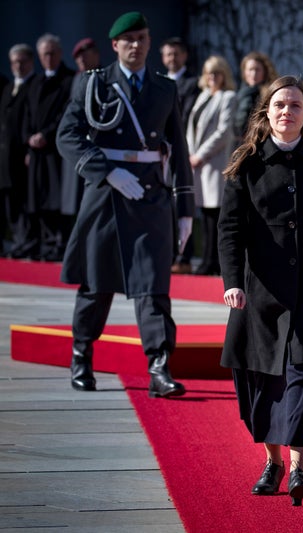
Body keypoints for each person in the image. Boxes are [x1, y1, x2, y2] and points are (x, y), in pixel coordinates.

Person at [218, 75, 303, 506]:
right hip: (258, 294)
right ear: (266, 112)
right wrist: (233, 282)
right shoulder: (246, 162)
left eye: (295, 105)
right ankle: (272, 462)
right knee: (261, 386)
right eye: (279, 105)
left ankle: (297, 470)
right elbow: (230, 230)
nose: (287, 112)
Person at [56, 11, 194, 398]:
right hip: (106, 197)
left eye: (142, 38)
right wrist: (106, 172)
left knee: (154, 287)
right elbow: (67, 136)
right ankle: (81, 356)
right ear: (114, 45)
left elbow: (179, 152)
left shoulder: (165, 89)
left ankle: (159, 367)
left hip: (150, 196)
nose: (136, 45)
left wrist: (185, 211)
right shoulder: (93, 85)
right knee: (96, 285)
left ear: (150, 43)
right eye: (128, 39)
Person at [23, 33, 75, 261]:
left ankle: (60, 242)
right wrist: (29, 139)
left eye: (53, 53)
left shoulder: (69, 80)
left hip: (56, 150)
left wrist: (46, 134)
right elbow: (26, 115)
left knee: (58, 198)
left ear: (60, 54)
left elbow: (67, 113)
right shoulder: (35, 82)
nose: (49, 57)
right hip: (36, 152)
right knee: (39, 197)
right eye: (45, 54)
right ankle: (45, 242)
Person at [186, 55, 236, 276]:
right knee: (205, 214)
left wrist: (200, 155)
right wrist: (191, 153)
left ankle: (214, 261)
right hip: (199, 162)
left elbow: (223, 133)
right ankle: (207, 259)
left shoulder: (228, 97)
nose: (212, 77)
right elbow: (191, 127)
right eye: (209, 73)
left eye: (216, 73)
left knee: (216, 215)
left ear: (224, 75)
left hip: (215, 162)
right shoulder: (203, 96)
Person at [161, 36, 200, 275]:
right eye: (168, 54)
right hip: (160, 151)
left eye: (176, 54)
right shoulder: (157, 82)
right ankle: (169, 252)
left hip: (183, 148)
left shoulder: (193, 84)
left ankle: (184, 255)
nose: (172, 58)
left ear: (184, 56)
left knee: (183, 202)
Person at [60, 38, 102, 230]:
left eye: (85, 56)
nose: (81, 62)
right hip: (78, 143)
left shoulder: (104, 76)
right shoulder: (78, 78)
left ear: (96, 55)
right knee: (74, 196)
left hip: (96, 143)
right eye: (78, 59)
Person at [0, 44, 35, 257]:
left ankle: (23, 242)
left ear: (31, 62)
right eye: (14, 62)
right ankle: (10, 241)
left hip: (22, 156)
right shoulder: (6, 88)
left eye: (22, 61)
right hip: (4, 158)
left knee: (22, 202)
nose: (18, 66)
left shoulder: (34, 86)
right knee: (7, 203)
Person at [233, 51, 277, 143]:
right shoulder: (240, 94)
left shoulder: (270, 94)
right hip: (239, 143)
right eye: (250, 69)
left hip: (261, 141)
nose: (253, 74)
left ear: (264, 72)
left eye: (257, 70)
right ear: (244, 72)